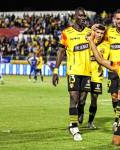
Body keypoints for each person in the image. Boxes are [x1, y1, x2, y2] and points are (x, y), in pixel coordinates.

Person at [52, 7, 91, 141]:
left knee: (82, 100)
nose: (82, 18)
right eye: (80, 16)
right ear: (74, 17)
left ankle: (80, 111)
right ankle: (74, 127)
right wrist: (56, 70)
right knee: (74, 98)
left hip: (87, 72)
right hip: (73, 71)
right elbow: (61, 52)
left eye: (84, 16)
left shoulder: (89, 32)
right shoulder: (66, 32)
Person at [85, 24, 110, 129]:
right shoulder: (87, 41)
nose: (99, 35)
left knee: (94, 99)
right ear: (94, 32)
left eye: (101, 33)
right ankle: (78, 117)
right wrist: (91, 29)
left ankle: (90, 122)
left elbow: (102, 59)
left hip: (97, 76)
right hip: (85, 74)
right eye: (97, 32)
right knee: (81, 99)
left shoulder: (106, 45)